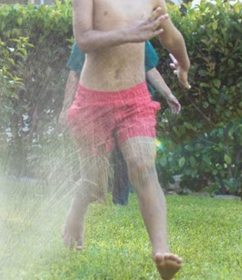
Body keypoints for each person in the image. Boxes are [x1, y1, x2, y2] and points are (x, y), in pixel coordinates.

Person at [63, 0, 191, 280]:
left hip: (134, 100)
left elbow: (171, 37)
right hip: (92, 102)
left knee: (142, 164)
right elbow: (85, 40)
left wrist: (182, 64)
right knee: (94, 183)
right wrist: (130, 33)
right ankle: (76, 211)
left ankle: (161, 250)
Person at [59, 41, 181, 205]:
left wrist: (168, 94)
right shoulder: (88, 35)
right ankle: (96, 196)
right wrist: (66, 108)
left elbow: (149, 68)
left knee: (126, 155)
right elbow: (74, 73)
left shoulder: (136, 35)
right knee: (97, 152)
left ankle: (120, 201)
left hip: (131, 106)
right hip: (98, 105)